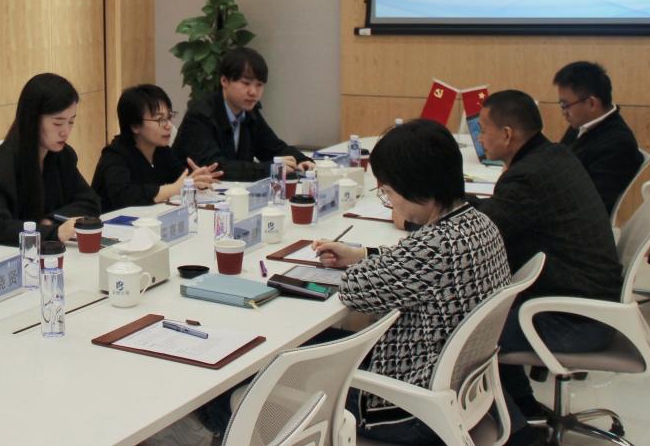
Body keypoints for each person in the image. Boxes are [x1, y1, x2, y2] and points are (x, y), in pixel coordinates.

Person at [313, 119, 510, 445]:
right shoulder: (479, 222)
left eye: (388, 192)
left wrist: (363, 264)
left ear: (417, 186)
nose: (390, 202)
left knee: (279, 377)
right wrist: (362, 254)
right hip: (455, 393)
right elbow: (415, 264)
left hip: (405, 408)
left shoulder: (433, 246)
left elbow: (354, 290)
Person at [475, 90, 622, 428]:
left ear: (507, 134)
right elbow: (496, 215)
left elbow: (479, 234)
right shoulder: (552, 155)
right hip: (589, 303)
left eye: (483, 129)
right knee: (484, 307)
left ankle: (515, 428)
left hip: (576, 321)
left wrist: (417, 220)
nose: (480, 138)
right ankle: (523, 408)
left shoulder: (527, 176)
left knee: (467, 330)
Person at [0, 73, 101, 251]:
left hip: (38, 254)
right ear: (33, 120)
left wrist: (50, 220)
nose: (65, 131)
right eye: (58, 123)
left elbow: (90, 202)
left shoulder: (62, 156)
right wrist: (53, 232)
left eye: (71, 122)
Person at [172, 47, 312, 182]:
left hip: (230, 192)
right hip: (183, 194)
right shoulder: (200, 115)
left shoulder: (250, 112)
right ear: (224, 81)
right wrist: (270, 169)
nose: (253, 92)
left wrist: (301, 160)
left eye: (259, 85)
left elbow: (274, 148)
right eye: (246, 83)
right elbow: (216, 167)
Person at [91, 84, 222, 212]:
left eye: (169, 117)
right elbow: (124, 197)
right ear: (135, 125)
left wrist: (197, 180)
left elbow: (181, 178)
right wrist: (175, 188)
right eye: (160, 120)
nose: (169, 125)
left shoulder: (161, 150)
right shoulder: (115, 155)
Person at [552, 61, 644, 214]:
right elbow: (558, 160)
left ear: (591, 103)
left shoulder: (618, 144)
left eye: (565, 105)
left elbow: (591, 205)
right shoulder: (583, 122)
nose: (563, 112)